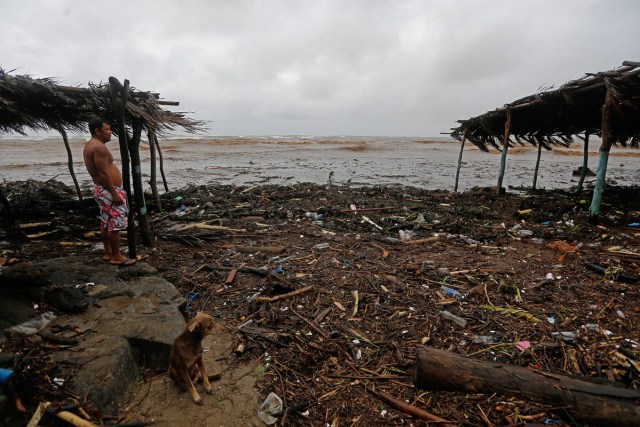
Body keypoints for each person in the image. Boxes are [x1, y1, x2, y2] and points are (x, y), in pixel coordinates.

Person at [83, 118, 136, 265]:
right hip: (108, 190)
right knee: (115, 225)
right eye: (107, 129)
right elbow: (103, 173)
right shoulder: (99, 147)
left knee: (106, 222)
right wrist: (114, 193)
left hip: (102, 190)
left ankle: (108, 253)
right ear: (97, 131)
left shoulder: (91, 145)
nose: (110, 132)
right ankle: (117, 257)